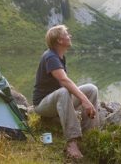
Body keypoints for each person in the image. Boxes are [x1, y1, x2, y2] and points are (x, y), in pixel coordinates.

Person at [32, 25, 99, 159]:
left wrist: (85, 98)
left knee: (91, 89)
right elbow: (64, 81)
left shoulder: (60, 56)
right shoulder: (50, 56)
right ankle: (72, 142)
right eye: (66, 34)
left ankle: (89, 134)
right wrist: (84, 101)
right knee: (63, 91)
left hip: (57, 100)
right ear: (59, 40)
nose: (70, 36)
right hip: (42, 105)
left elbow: (65, 83)